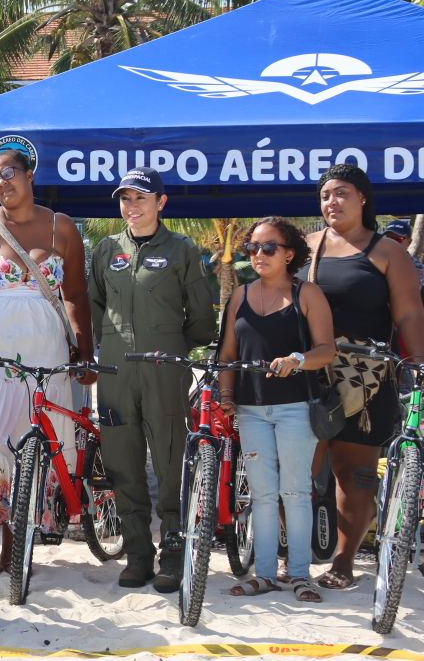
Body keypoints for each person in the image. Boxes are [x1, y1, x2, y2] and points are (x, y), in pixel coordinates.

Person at [0, 147, 94, 582]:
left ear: (30, 175)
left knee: (34, 447)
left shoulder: (63, 227)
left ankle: (18, 545)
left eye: (9, 173)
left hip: (46, 358)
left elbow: (74, 295)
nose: (2, 183)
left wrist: (84, 351)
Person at [89, 167, 217, 592]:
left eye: (140, 198)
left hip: (165, 363)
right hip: (114, 366)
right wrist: (108, 342)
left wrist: (177, 344)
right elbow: (95, 304)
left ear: (161, 203)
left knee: (168, 456)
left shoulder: (181, 249)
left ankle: (175, 551)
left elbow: (201, 315)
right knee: (122, 459)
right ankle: (139, 553)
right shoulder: (106, 249)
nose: (132, 207)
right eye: (125, 199)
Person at [301, 164, 424, 590]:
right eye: (325, 195)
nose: (331, 202)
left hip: (367, 377)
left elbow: (408, 311)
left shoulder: (388, 252)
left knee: (353, 472)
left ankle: (343, 561)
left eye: (341, 194)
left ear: (363, 199)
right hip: (306, 374)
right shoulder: (302, 247)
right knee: (296, 469)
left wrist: (419, 363)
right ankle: (293, 558)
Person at [218, 216, 333, 603]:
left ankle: (300, 575)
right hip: (251, 410)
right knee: (263, 495)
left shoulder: (308, 294)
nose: (258, 254)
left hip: (295, 408)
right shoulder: (240, 295)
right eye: (253, 247)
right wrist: (227, 397)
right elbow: (227, 355)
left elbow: (327, 351)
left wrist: (298, 359)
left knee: (296, 492)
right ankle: (264, 575)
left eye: (269, 247)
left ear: (289, 253)